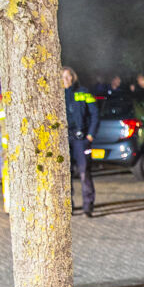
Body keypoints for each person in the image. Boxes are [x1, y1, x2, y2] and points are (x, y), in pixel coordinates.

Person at [63, 67, 99, 219]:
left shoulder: (83, 92)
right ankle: (67, 207)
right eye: (62, 76)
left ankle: (88, 206)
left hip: (81, 139)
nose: (65, 79)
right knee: (64, 174)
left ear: (73, 77)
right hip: (63, 140)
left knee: (84, 173)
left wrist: (90, 135)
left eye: (68, 76)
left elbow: (95, 114)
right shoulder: (54, 94)